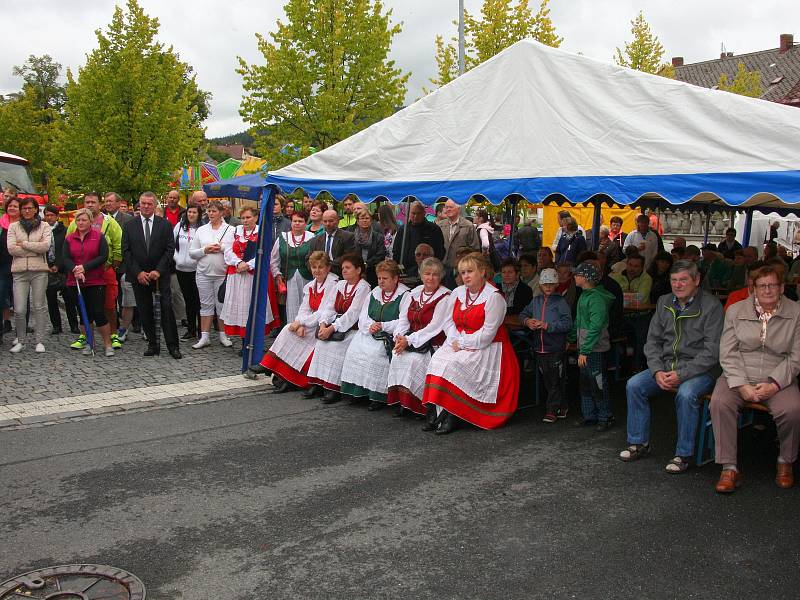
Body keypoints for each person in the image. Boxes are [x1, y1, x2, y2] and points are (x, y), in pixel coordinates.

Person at [619, 260, 724, 473]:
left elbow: (712, 352)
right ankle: (639, 442)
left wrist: (681, 374)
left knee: (686, 394)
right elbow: (653, 342)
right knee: (634, 385)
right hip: (666, 366)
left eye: (684, 280)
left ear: (697, 280)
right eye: (674, 280)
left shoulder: (712, 306)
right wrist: (657, 370)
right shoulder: (664, 301)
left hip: (702, 370)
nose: (678, 285)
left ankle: (683, 454)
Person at [709, 264, 800, 492]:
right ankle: (728, 467)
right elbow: (727, 352)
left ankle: (785, 461)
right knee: (720, 402)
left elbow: (796, 357)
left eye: (772, 285)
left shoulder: (796, 313)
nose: (767, 290)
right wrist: (740, 385)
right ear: (753, 288)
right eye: (762, 286)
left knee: (792, 409)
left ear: (781, 287)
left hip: (779, 374)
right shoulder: (736, 311)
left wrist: (774, 384)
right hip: (739, 372)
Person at [421, 253, 520, 434]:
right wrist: (455, 340)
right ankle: (435, 411)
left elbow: (488, 334)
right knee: (437, 359)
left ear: (482, 272)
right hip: (459, 340)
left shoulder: (494, 298)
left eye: (470, 271)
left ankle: (453, 415)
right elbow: (448, 322)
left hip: (489, 347)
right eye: (462, 272)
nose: (465, 276)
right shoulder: (458, 293)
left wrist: (464, 342)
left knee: (455, 364)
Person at [247, 251, 338, 389]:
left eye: (321, 267)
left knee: (289, 331)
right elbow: (304, 308)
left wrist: (301, 323)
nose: (317, 270)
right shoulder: (311, 286)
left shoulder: (333, 283)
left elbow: (324, 312)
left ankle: (272, 368)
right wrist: (299, 323)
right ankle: (271, 366)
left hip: (324, 324)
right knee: (288, 330)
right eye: (314, 267)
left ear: (328, 268)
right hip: (310, 323)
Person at [340, 260, 409, 409]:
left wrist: (383, 325)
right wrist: (370, 325)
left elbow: (404, 321)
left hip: (388, 335)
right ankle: (357, 392)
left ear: (395, 278)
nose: (381, 282)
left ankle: (377, 396)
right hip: (370, 332)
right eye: (379, 278)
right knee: (354, 350)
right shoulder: (374, 292)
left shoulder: (405, 295)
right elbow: (363, 316)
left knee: (374, 354)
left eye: (385, 278)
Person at [387, 257, 450, 417]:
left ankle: (421, 405)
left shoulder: (445, 297)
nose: (430, 278)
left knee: (414, 361)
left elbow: (435, 326)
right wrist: (399, 337)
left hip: (431, 343)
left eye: (435, 274)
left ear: (441, 276)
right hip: (409, 341)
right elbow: (403, 319)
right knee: (397, 355)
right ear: (421, 275)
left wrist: (409, 340)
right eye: (427, 274)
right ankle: (404, 402)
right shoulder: (413, 294)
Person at [122, 192, 182, 359]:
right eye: (143, 203)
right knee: (145, 310)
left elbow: (170, 249)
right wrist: (138, 272)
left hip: (160, 275)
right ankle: (153, 344)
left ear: (155, 205)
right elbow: (126, 252)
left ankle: (173, 346)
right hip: (139, 276)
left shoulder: (165, 225)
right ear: (139, 204)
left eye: (149, 203)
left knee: (166, 309)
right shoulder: (129, 225)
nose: (146, 206)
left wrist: (159, 270)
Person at [306, 253, 372, 403]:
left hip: (353, 329)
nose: (344, 271)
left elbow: (353, 313)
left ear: (358, 270)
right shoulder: (340, 285)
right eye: (343, 268)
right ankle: (318, 384)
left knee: (336, 348)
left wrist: (332, 328)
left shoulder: (363, 288)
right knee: (321, 345)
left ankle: (333, 387)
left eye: (348, 268)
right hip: (336, 325)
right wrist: (323, 323)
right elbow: (329, 307)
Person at [67, 192, 124, 351]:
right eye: (87, 202)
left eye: (93, 202)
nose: (90, 205)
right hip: (80, 272)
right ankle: (85, 336)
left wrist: (114, 265)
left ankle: (113, 334)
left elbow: (118, 244)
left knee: (109, 305)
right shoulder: (74, 223)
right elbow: (68, 244)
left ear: (100, 204)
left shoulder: (109, 222)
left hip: (105, 269)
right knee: (83, 304)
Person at [518, 267, 572, 422]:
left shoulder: (561, 302)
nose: (548, 287)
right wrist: (528, 322)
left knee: (555, 378)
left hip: (555, 347)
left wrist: (548, 326)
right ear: (540, 285)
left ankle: (552, 410)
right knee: (549, 379)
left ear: (556, 284)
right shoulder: (536, 301)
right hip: (539, 347)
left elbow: (568, 323)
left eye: (551, 284)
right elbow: (523, 314)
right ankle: (562, 405)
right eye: (545, 284)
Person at [221, 206, 278, 340]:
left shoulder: (262, 232)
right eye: (243, 218)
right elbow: (227, 251)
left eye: (248, 217)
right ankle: (243, 340)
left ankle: (255, 341)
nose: (245, 221)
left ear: (256, 217)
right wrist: (238, 263)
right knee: (240, 307)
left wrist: (248, 265)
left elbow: (265, 253)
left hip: (253, 276)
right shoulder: (234, 231)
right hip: (236, 275)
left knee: (251, 306)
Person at [570, 261, 615, 430]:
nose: (574, 276)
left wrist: (585, 350)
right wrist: (572, 338)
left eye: (578, 274)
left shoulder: (595, 298)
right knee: (586, 383)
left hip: (593, 349)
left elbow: (595, 327)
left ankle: (605, 416)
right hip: (586, 348)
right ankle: (589, 415)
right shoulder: (585, 294)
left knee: (597, 383)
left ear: (586, 278)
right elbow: (579, 321)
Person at [63, 208, 113, 356]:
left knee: (98, 312)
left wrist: (84, 268)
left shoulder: (99, 237)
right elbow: (65, 258)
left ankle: (107, 343)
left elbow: (103, 256)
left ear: (91, 221)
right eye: (78, 220)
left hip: (96, 280)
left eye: (84, 220)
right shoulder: (69, 238)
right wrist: (75, 269)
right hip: (76, 281)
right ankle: (89, 342)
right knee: (84, 313)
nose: (80, 222)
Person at [7, 197, 52, 353]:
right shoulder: (13, 227)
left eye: (29, 208)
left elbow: (45, 246)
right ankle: (21, 340)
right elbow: (11, 249)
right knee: (19, 309)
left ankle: (40, 340)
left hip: (39, 270)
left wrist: (24, 244)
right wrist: (34, 247)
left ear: (35, 210)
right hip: (19, 271)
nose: (26, 211)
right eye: (24, 208)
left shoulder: (44, 226)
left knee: (39, 306)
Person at [189, 201, 235, 349]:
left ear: (221, 212)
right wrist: (205, 250)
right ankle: (204, 336)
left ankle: (223, 335)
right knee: (206, 305)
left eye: (214, 211)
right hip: (203, 273)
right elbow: (192, 253)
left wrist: (221, 248)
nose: (211, 214)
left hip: (222, 273)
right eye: (209, 211)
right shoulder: (201, 230)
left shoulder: (231, 230)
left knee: (222, 305)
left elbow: (235, 250)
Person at [271, 211, 316, 324]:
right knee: (291, 306)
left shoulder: (312, 237)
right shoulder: (282, 237)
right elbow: (274, 259)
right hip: (288, 279)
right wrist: (277, 274)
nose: (297, 223)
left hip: (308, 278)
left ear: (306, 223)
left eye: (300, 221)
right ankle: (291, 329)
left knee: (307, 305)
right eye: (294, 221)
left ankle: (306, 330)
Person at [43, 205, 79, 335]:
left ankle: (73, 324)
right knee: (51, 299)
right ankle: (56, 325)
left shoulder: (64, 231)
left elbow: (66, 250)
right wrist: (47, 265)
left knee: (69, 299)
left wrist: (58, 265)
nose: (49, 217)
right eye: (47, 215)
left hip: (63, 269)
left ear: (57, 216)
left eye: (52, 215)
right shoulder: (42, 230)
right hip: (47, 268)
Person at [173, 203, 202, 340]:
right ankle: (191, 329)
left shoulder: (202, 229)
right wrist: (177, 258)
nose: (191, 215)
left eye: (194, 212)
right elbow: (172, 244)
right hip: (180, 269)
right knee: (188, 300)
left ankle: (202, 329)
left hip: (196, 270)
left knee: (198, 301)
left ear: (199, 214)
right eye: (189, 212)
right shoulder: (179, 226)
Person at [393, 201, 445, 276]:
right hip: (406, 272)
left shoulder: (434, 229)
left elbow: (440, 252)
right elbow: (396, 251)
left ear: (424, 213)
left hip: (429, 272)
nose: (415, 216)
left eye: (418, 213)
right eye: (413, 213)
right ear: (409, 213)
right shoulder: (403, 230)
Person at [439, 199, 479, 287]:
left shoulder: (468, 225)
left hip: (460, 270)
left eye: (451, 207)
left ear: (458, 209)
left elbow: (475, 250)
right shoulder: (440, 225)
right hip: (442, 268)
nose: (448, 209)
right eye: (446, 207)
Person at [309, 209, 356, 277]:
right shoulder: (315, 240)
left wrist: (326, 266)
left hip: (340, 275)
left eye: (331, 221)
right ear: (322, 222)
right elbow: (308, 259)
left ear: (337, 221)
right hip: (320, 276)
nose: (328, 224)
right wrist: (316, 269)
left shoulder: (348, 237)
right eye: (325, 221)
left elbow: (348, 257)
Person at [0, 196, 19, 336]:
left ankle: (21, 328)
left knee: (19, 297)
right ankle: (5, 323)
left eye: (15, 206)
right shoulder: (1, 223)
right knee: (1, 294)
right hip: (2, 264)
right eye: (10, 206)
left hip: (19, 264)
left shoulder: (23, 224)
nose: (12, 208)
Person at [352, 210, 385, 286]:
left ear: (371, 221)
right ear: (357, 221)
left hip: (373, 270)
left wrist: (367, 263)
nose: (365, 220)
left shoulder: (378, 237)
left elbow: (380, 254)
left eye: (367, 218)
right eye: (362, 218)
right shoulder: (352, 236)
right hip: (356, 269)